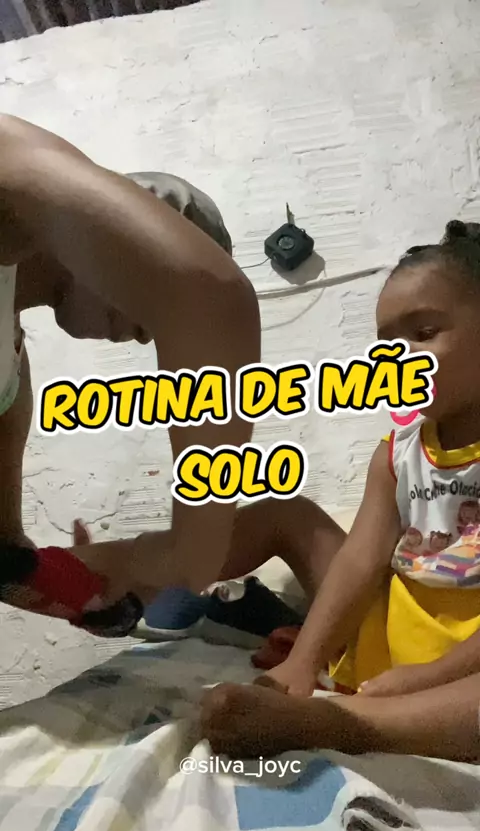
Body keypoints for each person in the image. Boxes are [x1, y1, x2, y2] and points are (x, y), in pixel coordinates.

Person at [200, 220, 480, 762]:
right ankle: (153, 578)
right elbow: (359, 560)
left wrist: (430, 677)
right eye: (386, 346)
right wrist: (303, 661)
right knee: (286, 511)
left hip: (460, 673)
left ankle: (345, 725)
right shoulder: (397, 453)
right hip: (388, 646)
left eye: (424, 334)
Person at [0, 113, 260, 636]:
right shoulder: (11, 191)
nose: (147, 337)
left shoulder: (10, 375)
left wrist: (95, 594)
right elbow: (206, 290)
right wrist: (192, 549)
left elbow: (4, 559)